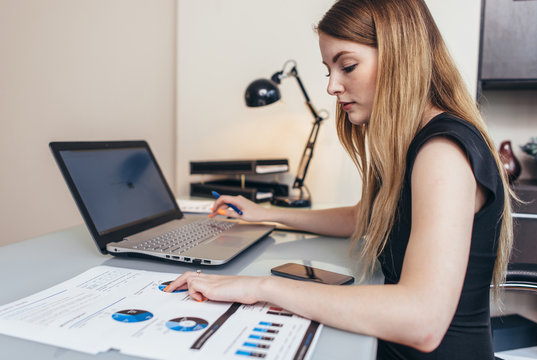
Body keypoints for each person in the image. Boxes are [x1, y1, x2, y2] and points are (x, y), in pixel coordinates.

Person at [166, 0, 514, 358]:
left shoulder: (442, 153)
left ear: (400, 56)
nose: (332, 86)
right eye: (328, 70)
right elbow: (362, 216)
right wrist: (266, 213)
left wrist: (261, 287)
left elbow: (421, 321)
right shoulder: (409, 142)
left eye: (347, 66)